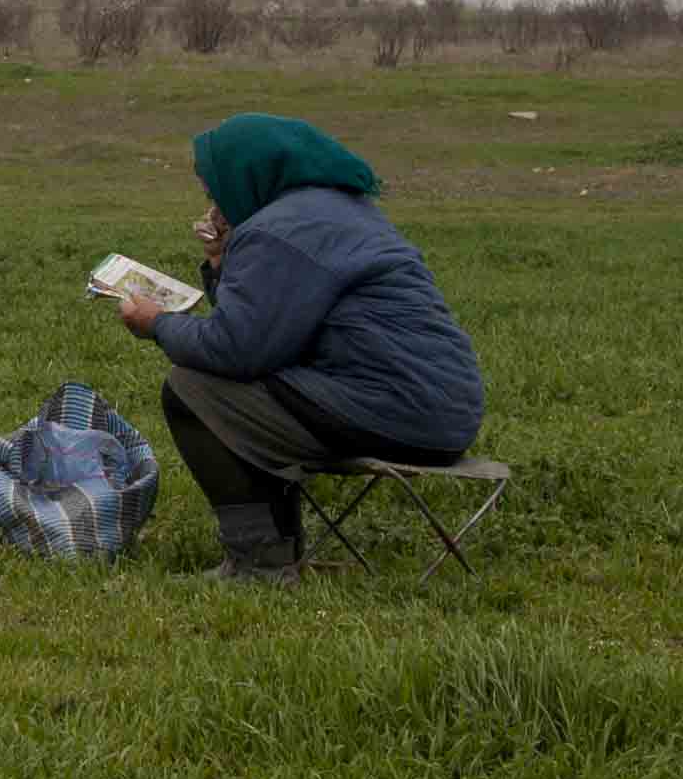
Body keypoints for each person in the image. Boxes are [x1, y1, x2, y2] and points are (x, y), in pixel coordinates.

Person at [112, 113, 484, 583]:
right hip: (444, 413)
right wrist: (222, 261)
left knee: (193, 390)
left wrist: (158, 324)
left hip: (394, 410)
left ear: (248, 174)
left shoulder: (280, 230)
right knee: (243, 391)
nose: (214, 202)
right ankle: (273, 553)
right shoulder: (337, 211)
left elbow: (235, 351)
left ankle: (260, 563)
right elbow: (268, 327)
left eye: (215, 189)